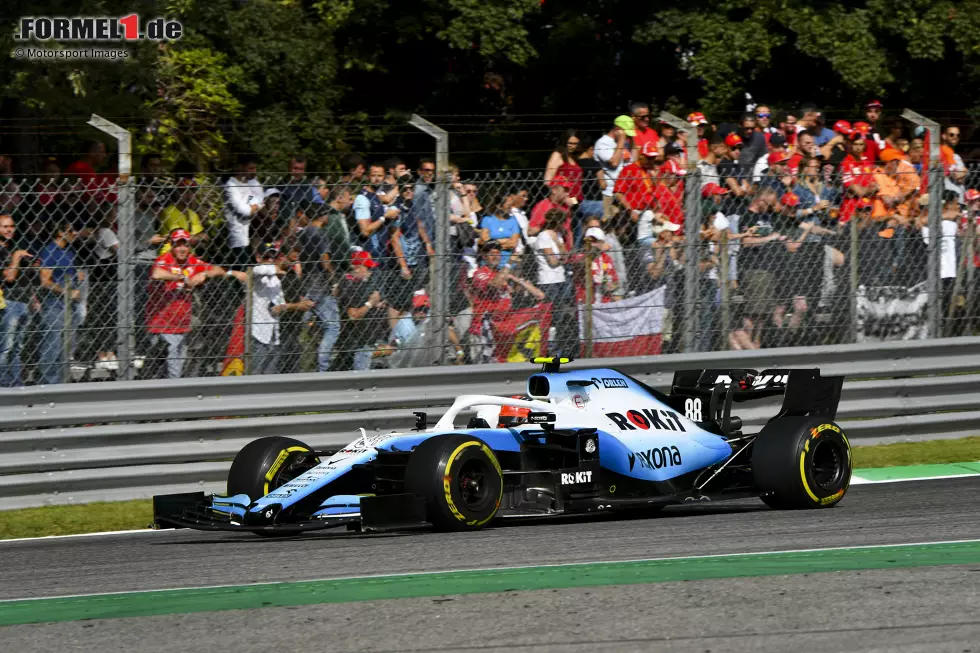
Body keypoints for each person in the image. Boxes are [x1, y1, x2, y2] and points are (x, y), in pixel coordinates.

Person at [147, 229, 237, 378]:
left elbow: (218, 270)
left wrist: (203, 274)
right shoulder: (165, 259)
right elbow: (157, 273)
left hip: (182, 325)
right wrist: (183, 278)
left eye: (185, 245)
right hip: (162, 325)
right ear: (171, 246)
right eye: (178, 245)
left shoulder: (192, 261)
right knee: (172, 371)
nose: (182, 249)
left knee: (177, 368)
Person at [296, 188, 353, 372]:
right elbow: (325, 259)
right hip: (321, 285)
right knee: (333, 327)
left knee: (311, 322)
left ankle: (306, 363)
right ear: (322, 216)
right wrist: (334, 280)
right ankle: (324, 368)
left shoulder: (304, 232)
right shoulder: (320, 234)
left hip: (307, 282)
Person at [248, 242, 315, 375]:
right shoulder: (257, 276)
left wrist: (292, 306)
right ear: (258, 258)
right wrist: (276, 269)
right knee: (256, 373)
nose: (271, 260)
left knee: (271, 375)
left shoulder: (277, 280)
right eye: (267, 257)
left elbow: (281, 305)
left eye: (273, 257)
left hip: (274, 334)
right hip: (259, 334)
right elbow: (257, 270)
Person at [37, 220, 85, 385]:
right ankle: (49, 383)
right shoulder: (51, 251)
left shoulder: (69, 251)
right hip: (54, 304)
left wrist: (76, 277)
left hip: (70, 305)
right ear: (60, 232)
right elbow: (45, 281)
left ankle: (63, 380)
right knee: (53, 343)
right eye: (73, 230)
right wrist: (67, 292)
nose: (76, 233)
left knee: (68, 345)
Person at [331, 249, 390, 371]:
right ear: (357, 268)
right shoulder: (348, 284)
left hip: (364, 339)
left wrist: (377, 303)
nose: (370, 272)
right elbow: (353, 315)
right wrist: (370, 304)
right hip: (355, 343)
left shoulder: (361, 283)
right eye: (367, 268)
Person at [532, 209, 575, 357]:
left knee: (560, 316)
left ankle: (557, 347)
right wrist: (562, 257)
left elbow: (564, 256)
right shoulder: (543, 236)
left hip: (560, 279)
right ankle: (548, 347)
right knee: (551, 316)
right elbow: (553, 261)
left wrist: (558, 242)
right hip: (548, 281)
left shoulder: (557, 236)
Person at [0, 214, 33, 386]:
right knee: (6, 348)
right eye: (4, 226)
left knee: (16, 349)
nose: (9, 229)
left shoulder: (8, 248)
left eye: (11, 226)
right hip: (7, 304)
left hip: (21, 302)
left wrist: (32, 298)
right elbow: (10, 277)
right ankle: (4, 387)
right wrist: (17, 256)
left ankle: (15, 384)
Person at [223, 155, 263, 269]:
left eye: (255, 168)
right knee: (242, 273)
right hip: (238, 238)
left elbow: (260, 200)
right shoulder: (231, 185)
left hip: (252, 234)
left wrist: (251, 206)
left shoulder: (253, 183)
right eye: (250, 168)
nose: (254, 171)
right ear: (241, 167)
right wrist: (252, 205)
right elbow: (243, 211)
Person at [544, 129, 584, 202]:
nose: (573, 146)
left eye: (575, 144)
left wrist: (573, 202)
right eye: (570, 143)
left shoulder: (573, 157)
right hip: (562, 201)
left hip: (575, 201)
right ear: (564, 142)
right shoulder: (557, 155)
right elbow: (547, 181)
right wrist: (563, 199)